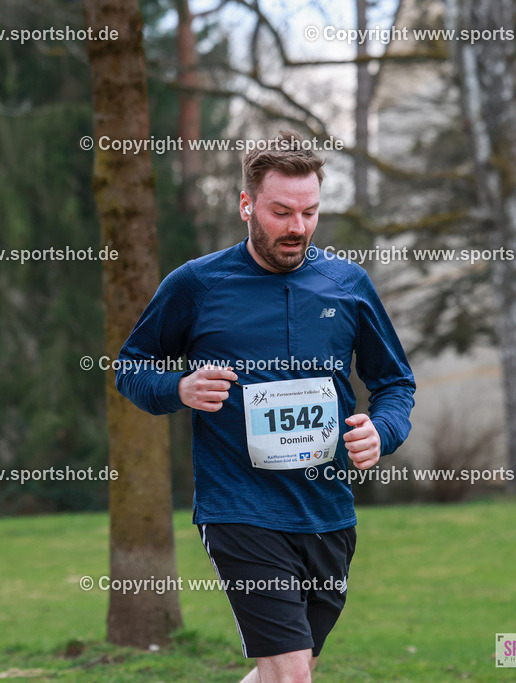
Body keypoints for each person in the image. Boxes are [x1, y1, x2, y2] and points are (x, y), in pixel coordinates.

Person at [115, 130, 414, 682]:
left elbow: (395, 382)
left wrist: (383, 430)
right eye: (281, 212)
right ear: (247, 206)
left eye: (310, 212)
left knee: (287, 672)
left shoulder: (347, 284)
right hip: (240, 508)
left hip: (327, 512)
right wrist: (179, 387)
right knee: (293, 674)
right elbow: (130, 367)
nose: (297, 228)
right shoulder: (198, 284)